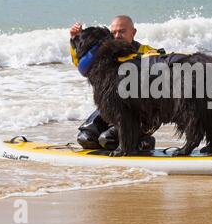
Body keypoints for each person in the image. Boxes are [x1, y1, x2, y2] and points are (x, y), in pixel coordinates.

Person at [69, 15, 163, 151]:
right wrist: (75, 39)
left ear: (133, 33)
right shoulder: (106, 53)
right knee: (86, 138)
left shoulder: (147, 52)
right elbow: (82, 66)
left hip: (142, 114)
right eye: (114, 33)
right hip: (114, 109)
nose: (117, 36)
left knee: (107, 139)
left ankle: (143, 141)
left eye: (122, 31)